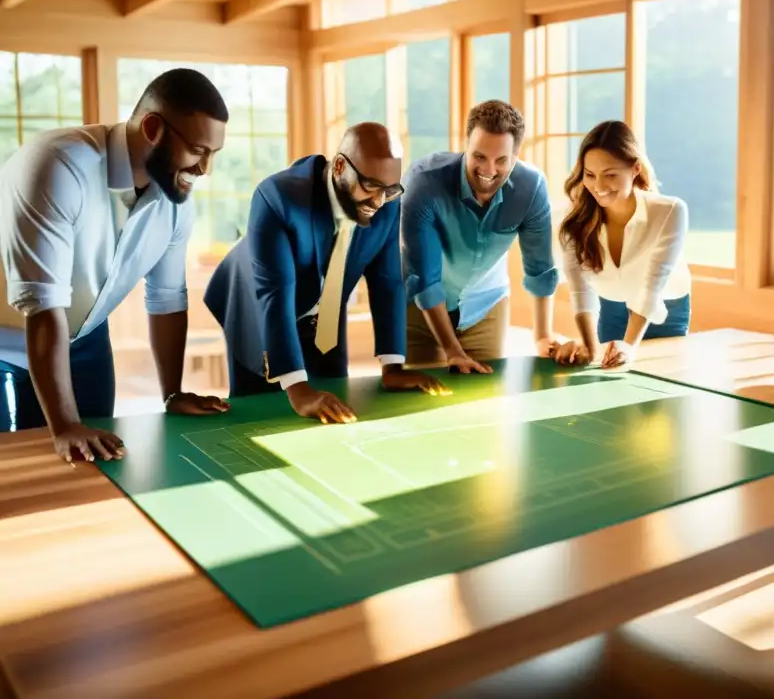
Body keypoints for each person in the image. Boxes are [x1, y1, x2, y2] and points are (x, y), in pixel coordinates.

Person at [0, 68, 231, 464]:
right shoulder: (57, 165)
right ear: (154, 128)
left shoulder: (176, 203)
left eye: (213, 154)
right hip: (11, 338)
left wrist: (171, 393)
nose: (204, 169)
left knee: (95, 463)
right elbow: (43, 304)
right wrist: (66, 424)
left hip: (85, 336)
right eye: (198, 150)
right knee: (20, 470)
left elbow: (166, 299)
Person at [204, 122, 447, 424]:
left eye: (390, 190)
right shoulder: (277, 197)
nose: (378, 201)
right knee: (262, 416)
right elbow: (274, 292)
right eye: (370, 185)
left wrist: (393, 368)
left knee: (334, 402)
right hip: (253, 306)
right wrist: (298, 390)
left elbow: (387, 283)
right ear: (340, 166)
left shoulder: (384, 201)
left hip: (324, 315)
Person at [400, 100, 559, 373]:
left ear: (516, 156)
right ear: (466, 146)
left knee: (483, 403)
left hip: (486, 306)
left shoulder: (530, 188)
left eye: (501, 160)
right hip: (418, 309)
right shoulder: (423, 182)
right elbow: (426, 280)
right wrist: (453, 351)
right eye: (479, 157)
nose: (488, 171)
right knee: (423, 398)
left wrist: (542, 336)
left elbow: (540, 269)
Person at [554, 120, 690, 370]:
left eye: (610, 175)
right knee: (611, 381)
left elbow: (652, 286)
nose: (599, 187)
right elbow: (580, 289)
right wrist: (588, 343)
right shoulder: (573, 218)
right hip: (612, 306)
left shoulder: (670, 211)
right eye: (590, 175)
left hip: (665, 311)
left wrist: (630, 345)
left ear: (635, 168)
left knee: (664, 392)